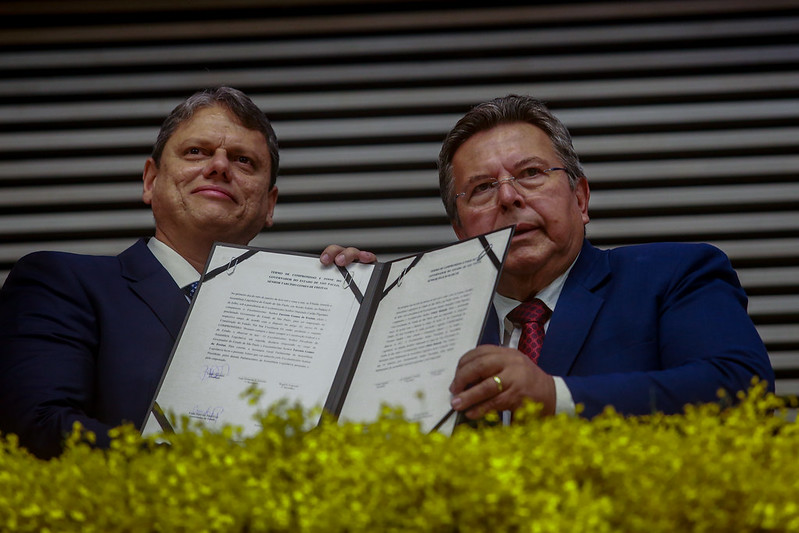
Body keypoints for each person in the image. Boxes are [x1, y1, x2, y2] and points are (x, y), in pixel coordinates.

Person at [0, 86, 372, 459]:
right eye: (197, 152)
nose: (220, 166)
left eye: (244, 161)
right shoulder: (60, 282)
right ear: (150, 180)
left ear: (269, 205)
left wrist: (357, 305)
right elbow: (39, 427)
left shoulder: (315, 312)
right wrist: (202, 474)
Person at [438, 94, 774, 421]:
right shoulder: (437, 324)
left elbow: (741, 390)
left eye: (531, 173)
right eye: (482, 188)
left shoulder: (675, 275)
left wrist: (554, 396)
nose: (508, 197)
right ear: (461, 232)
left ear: (580, 200)